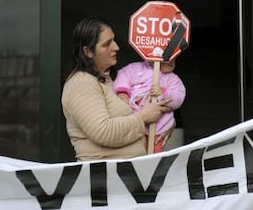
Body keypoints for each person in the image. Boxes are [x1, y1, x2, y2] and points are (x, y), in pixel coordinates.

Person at [61, 16, 172, 161]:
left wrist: (165, 124)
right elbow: (103, 131)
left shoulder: (113, 80)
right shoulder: (81, 83)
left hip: (126, 174)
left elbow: (141, 109)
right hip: (103, 177)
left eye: (114, 40)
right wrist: (144, 118)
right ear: (88, 52)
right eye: (107, 44)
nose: (116, 47)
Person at [113, 60, 185, 153]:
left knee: (155, 154)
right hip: (134, 123)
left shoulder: (173, 79)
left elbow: (178, 99)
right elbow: (123, 75)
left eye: (174, 58)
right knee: (136, 152)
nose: (171, 61)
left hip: (158, 127)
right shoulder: (135, 68)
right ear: (150, 59)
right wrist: (122, 92)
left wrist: (163, 92)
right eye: (166, 59)